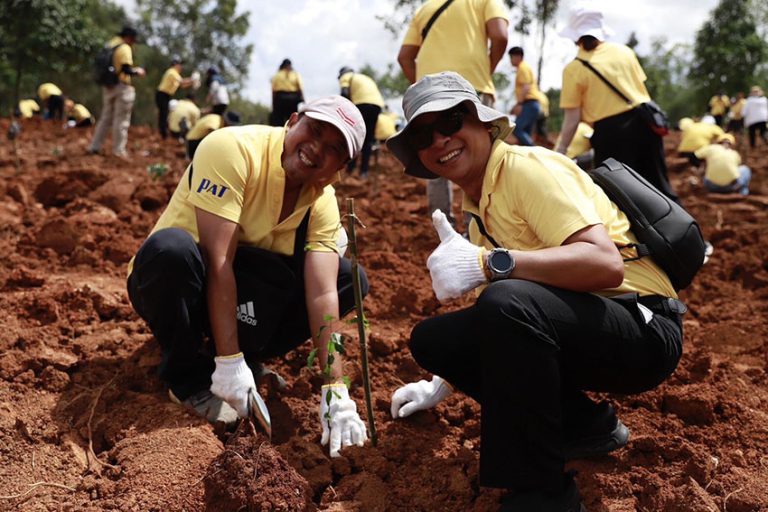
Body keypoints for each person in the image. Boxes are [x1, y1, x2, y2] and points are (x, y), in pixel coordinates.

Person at [386, 72, 684, 512]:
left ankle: (543, 497)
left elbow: (604, 264)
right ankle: (584, 425)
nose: (439, 140)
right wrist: (441, 384)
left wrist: (490, 263)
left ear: (484, 124)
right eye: (423, 135)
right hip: (585, 326)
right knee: (434, 340)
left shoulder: (526, 169)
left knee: (504, 300)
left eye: (450, 122)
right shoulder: (478, 213)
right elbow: (505, 330)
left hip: (643, 325)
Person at [127, 96, 370, 458]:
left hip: (241, 290)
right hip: (181, 282)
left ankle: (247, 358)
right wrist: (228, 363)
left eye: (334, 148)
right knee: (171, 250)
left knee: (348, 279)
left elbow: (322, 296)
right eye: (314, 130)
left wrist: (335, 386)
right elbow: (219, 260)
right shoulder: (232, 149)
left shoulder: (322, 201)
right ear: (292, 120)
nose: (316, 149)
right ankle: (189, 376)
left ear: (342, 166)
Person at [397, 0, 509, 225]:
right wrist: (488, 69)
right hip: (472, 86)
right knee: (482, 160)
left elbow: (404, 57)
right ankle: (481, 227)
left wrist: (424, 92)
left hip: (429, 100)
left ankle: (443, 228)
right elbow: (500, 35)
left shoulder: (424, 9)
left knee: (435, 151)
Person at [556, 5, 678, 204]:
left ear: (575, 37)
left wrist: (561, 151)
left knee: (617, 197)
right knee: (659, 187)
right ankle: (685, 233)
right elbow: (639, 88)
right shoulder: (625, 52)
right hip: (645, 124)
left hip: (611, 134)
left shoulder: (574, 69)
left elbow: (572, 119)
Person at [88, 26, 146, 158]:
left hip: (108, 86)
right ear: (129, 38)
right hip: (121, 87)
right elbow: (126, 69)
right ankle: (118, 151)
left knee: (105, 118)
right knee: (121, 120)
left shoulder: (111, 44)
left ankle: (94, 146)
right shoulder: (125, 48)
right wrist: (138, 71)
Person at [338, 66, 385, 177]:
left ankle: (350, 169)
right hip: (377, 105)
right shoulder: (365, 78)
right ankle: (364, 171)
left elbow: (344, 94)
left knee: (355, 137)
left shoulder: (345, 76)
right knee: (368, 140)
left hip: (361, 105)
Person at [508, 47, 541, 146]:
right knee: (526, 133)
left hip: (529, 104)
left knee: (517, 129)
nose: (510, 60)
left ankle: (534, 150)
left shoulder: (522, 68)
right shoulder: (523, 68)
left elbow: (526, 87)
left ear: (518, 56)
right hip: (531, 104)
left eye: (511, 57)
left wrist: (519, 104)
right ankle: (529, 155)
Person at [156, 56, 194, 139]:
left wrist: (192, 82)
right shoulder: (172, 72)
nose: (181, 67)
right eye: (180, 64)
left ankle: (163, 132)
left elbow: (182, 85)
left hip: (165, 95)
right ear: (175, 64)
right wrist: (193, 79)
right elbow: (182, 81)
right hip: (162, 94)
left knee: (165, 113)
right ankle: (163, 134)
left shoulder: (174, 74)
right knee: (164, 114)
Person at [270, 58, 304, 127]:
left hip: (280, 99)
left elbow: (273, 91)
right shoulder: (295, 74)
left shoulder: (277, 75)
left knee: (279, 121)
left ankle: (280, 135)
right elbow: (300, 88)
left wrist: (273, 103)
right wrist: (303, 99)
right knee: (292, 120)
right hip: (292, 99)